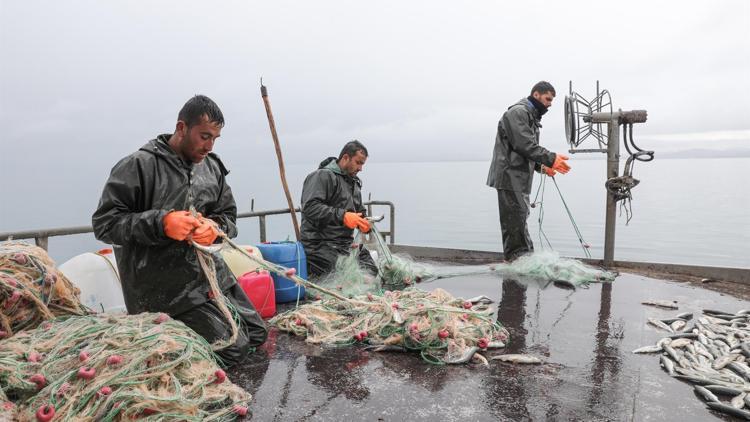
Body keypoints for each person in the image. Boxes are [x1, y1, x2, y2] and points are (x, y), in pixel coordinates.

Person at [92, 95, 267, 367]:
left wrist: (216, 227)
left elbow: (229, 216)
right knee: (234, 350)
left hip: (211, 276)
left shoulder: (212, 168)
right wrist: (162, 223)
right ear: (182, 127)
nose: (209, 146)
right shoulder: (138, 165)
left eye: (215, 139)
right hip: (163, 289)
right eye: (204, 136)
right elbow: (105, 223)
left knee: (257, 335)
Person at [486, 81, 572, 261]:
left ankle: (523, 260)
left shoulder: (529, 115)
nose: (549, 104)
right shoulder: (518, 112)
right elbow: (523, 144)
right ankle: (517, 265)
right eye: (548, 99)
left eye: (551, 101)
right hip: (510, 177)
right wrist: (551, 158)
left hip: (519, 177)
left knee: (519, 221)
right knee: (514, 225)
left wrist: (543, 167)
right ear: (536, 95)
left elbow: (524, 151)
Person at [300, 140, 378, 278]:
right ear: (345, 158)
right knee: (348, 275)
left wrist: (365, 223)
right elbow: (310, 207)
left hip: (345, 245)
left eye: (362, 164)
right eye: (358, 162)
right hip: (319, 246)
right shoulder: (322, 176)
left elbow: (359, 211)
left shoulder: (353, 182)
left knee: (371, 271)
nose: (361, 168)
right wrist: (343, 216)